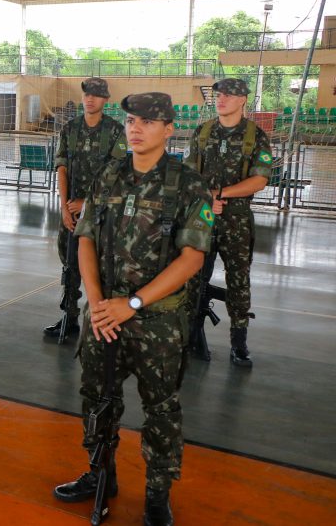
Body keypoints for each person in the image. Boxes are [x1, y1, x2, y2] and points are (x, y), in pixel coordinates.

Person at [53, 93, 213, 526]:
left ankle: (158, 495)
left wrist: (134, 303)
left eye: (147, 120)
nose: (135, 127)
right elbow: (84, 237)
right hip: (104, 315)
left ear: (169, 128)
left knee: (160, 410)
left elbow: (192, 258)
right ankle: (100, 472)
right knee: (96, 400)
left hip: (157, 322)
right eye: (130, 120)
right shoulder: (109, 176)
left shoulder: (188, 184)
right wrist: (97, 301)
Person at [184, 78, 271, 368]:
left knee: (238, 281)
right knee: (193, 275)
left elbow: (259, 179)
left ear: (243, 99)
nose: (221, 99)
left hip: (237, 220)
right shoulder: (203, 132)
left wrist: (220, 194)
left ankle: (239, 343)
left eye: (228, 95)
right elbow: (188, 174)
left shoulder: (255, 136)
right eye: (218, 95)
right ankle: (190, 333)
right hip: (204, 216)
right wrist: (205, 198)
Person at [42, 77, 126, 338]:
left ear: (105, 100)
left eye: (96, 95)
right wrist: (65, 208)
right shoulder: (70, 128)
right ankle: (69, 317)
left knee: (103, 267)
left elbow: (118, 176)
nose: (90, 99)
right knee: (69, 264)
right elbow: (62, 168)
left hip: (102, 212)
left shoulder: (114, 131)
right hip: (72, 211)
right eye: (87, 94)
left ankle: (102, 318)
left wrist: (87, 204)